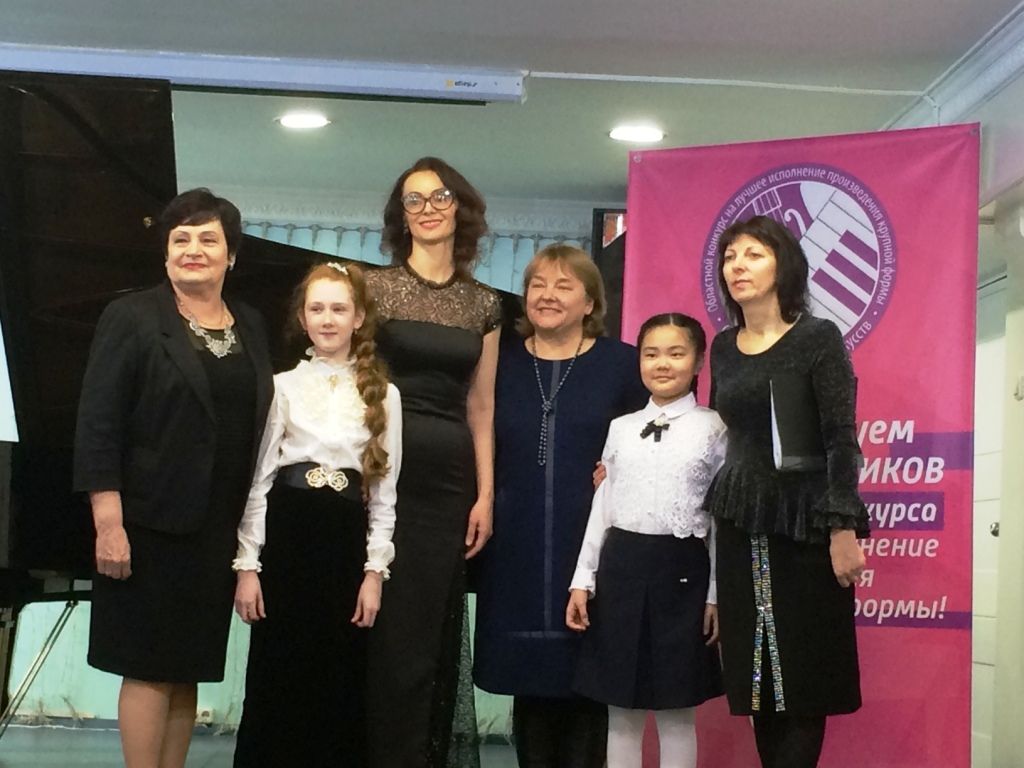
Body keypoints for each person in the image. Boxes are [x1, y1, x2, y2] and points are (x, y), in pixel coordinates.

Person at [73, 188, 273, 768]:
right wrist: (108, 523)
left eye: (208, 238)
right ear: (165, 254)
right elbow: (98, 423)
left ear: (231, 254)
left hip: (216, 529)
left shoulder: (252, 324)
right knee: (148, 667)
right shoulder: (133, 317)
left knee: (188, 669)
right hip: (147, 524)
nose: (193, 249)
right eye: (180, 238)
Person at [473, 244, 647, 768]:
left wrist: (624, 468)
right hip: (516, 542)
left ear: (590, 303)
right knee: (529, 682)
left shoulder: (622, 364)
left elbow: (653, 438)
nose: (547, 296)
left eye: (564, 286)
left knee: (586, 678)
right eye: (537, 285)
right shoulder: (500, 363)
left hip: (590, 541)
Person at [705, 215, 869, 768]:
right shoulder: (723, 346)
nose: (738, 266)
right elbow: (723, 433)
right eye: (730, 257)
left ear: (784, 266)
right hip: (740, 524)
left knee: (803, 677)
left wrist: (842, 528)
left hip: (804, 527)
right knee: (758, 681)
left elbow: (840, 436)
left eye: (753, 255)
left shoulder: (817, 338)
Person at [231, 261, 402, 767]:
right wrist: (248, 566)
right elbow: (259, 481)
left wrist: (374, 573)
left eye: (339, 309)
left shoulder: (385, 395)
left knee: (337, 676)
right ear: (302, 318)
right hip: (289, 537)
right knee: (279, 673)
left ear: (359, 318)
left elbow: (385, 493)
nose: (328, 319)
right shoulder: (282, 386)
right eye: (317, 309)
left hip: (344, 542)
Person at [364, 157, 501, 768]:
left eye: (439, 196)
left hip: (447, 483)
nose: (427, 209)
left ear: (459, 207)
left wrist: (485, 495)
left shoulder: (484, 304)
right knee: (375, 626)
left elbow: (482, 406)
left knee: (420, 633)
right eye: (413, 199)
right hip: (378, 471)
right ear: (401, 215)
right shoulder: (373, 289)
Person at [565, 312, 725, 768]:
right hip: (621, 571)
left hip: (683, 572)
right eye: (651, 354)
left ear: (698, 361)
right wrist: (583, 580)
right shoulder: (621, 427)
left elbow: (720, 520)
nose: (662, 364)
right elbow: (604, 506)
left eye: (676, 353)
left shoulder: (714, 427)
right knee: (621, 711)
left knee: (676, 712)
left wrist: (715, 594)